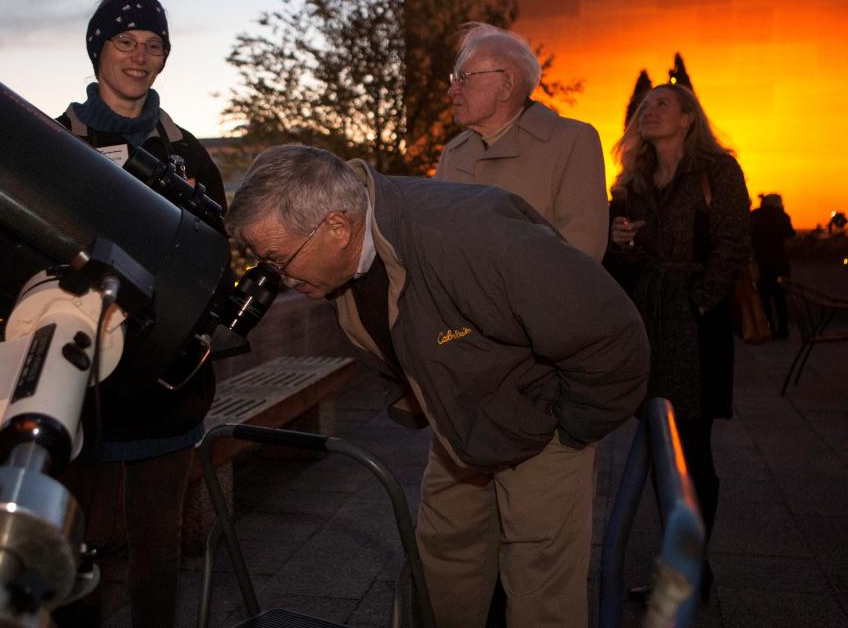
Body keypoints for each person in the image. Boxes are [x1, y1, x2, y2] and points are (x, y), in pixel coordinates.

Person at [225, 145, 649, 628]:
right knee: (442, 569)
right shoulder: (342, 256)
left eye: (280, 260)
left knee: (539, 591)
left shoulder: (472, 236)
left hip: (542, 425)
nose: (276, 278)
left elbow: (613, 333)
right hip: (460, 429)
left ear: (337, 227)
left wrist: (569, 429)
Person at [53, 0, 227, 628]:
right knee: (76, 547)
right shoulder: (54, 142)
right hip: (81, 388)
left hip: (164, 385)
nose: (140, 55)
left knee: (158, 546)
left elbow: (216, 257)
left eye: (153, 45)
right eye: (125, 42)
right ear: (98, 50)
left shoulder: (189, 156)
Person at [604, 83, 750, 602]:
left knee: (691, 452)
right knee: (654, 447)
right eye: (644, 105)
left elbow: (734, 244)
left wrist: (698, 303)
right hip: (648, 321)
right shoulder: (633, 180)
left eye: (662, 103)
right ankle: (680, 567)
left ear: (689, 118)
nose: (649, 109)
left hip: (695, 328)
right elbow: (622, 256)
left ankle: (689, 572)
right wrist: (618, 241)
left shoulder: (718, 172)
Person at [436, 23, 608, 261]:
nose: (452, 90)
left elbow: (582, 249)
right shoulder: (453, 154)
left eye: (463, 78)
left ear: (507, 85)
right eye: (453, 79)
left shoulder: (572, 140)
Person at [751, 194, 795, 338]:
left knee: (764, 299)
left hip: (761, 263)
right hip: (778, 263)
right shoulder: (781, 216)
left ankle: (768, 328)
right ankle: (783, 329)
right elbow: (790, 234)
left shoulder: (755, 215)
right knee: (780, 298)